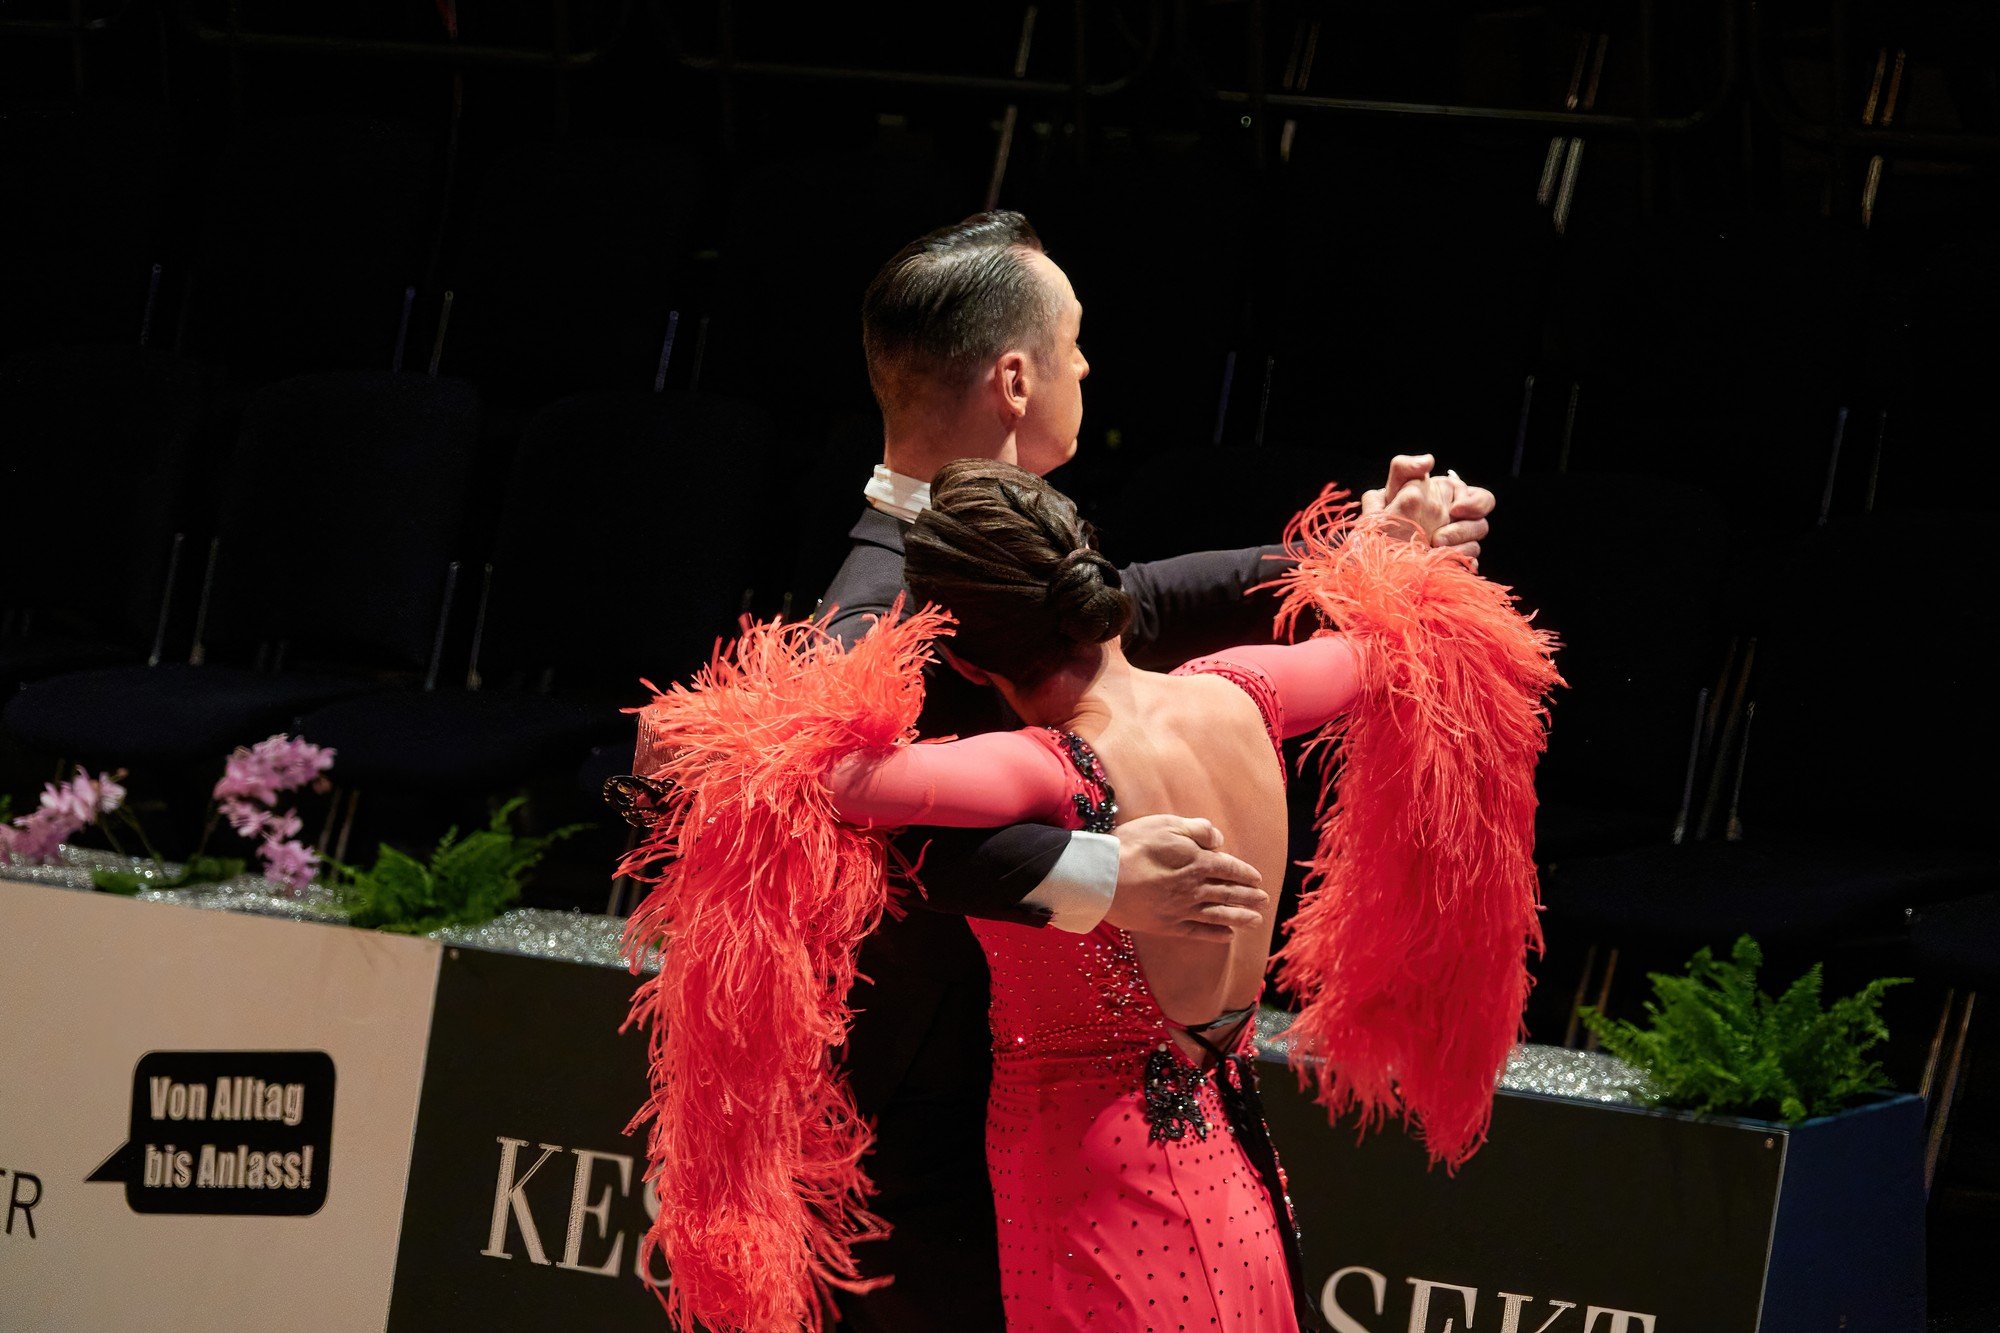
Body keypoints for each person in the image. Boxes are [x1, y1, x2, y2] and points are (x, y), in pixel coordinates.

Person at [615, 460, 1555, 1333]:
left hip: (1099, 1202)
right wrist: (1402, 546)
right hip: (1238, 1188)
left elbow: (835, 784)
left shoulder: (1044, 769)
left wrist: (693, 738)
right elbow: (1381, 647)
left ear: (967, 665)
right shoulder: (1245, 689)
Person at [815, 210, 1495, 1330]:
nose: (1087, 366)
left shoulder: (1007, 560)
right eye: (1074, 341)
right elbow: (833, 817)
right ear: (1016, 380)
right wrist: (1094, 872)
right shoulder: (869, 607)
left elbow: (1137, 599)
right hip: (934, 1130)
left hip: (1106, 1133)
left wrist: (1359, 551)